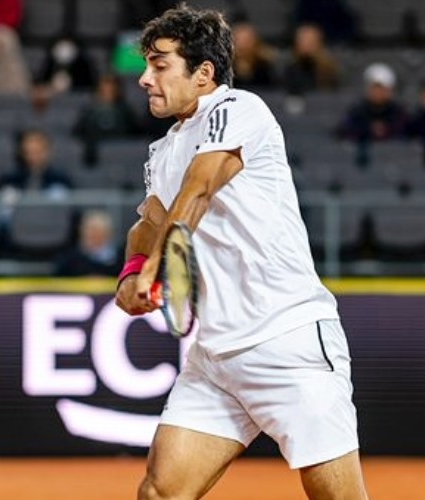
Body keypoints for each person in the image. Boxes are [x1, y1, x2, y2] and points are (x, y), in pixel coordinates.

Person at [115, 6, 367, 499]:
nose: (145, 79)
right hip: (215, 358)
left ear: (203, 73)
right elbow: (149, 224)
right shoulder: (162, 150)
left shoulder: (238, 109)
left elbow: (201, 188)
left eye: (160, 65)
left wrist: (160, 265)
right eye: (146, 66)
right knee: (160, 493)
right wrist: (133, 272)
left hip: (287, 341)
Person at [336, 63, 409, 165]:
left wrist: (386, 132)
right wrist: (368, 130)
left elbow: (405, 135)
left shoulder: (399, 113)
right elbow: (345, 132)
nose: (378, 92)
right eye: (374, 88)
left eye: (382, 88)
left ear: (390, 90)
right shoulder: (357, 111)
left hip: (393, 160)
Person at [72, 73, 143, 163]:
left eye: (112, 89)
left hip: (121, 154)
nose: (108, 92)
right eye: (105, 89)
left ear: (118, 90)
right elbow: (78, 133)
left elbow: (137, 135)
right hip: (97, 153)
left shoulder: (127, 112)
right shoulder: (88, 112)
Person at [0, 129, 73, 200]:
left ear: (48, 151)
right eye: (28, 152)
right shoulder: (10, 180)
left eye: (38, 152)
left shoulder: (61, 180)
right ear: (21, 152)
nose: (33, 157)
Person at [54, 210, 122, 277]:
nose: (93, 234)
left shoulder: (120, 259)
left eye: (97, 231)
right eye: (90, 230)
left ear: (108, 234)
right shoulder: (69, 259)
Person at [283, 24, 340, 96]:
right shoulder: (288, 71)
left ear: (319, 44)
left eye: (311, 42)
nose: (307, 46)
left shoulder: (331, 71)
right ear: (296, 45)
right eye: (303, 41)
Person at [230, 21, 277, 90]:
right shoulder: (225, 70)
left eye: (246, 41)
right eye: (238, 41)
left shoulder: (266, 69)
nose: (242, 46)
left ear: (256, 43)